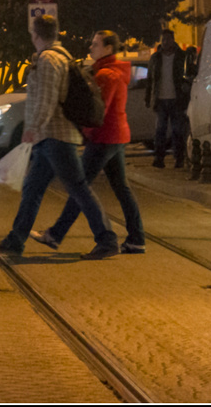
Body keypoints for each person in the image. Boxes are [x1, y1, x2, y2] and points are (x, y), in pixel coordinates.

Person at [0, 15, 117, 259]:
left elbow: (47, 99)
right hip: (49, 137)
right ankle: (16, 239)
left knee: (78, 188)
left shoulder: (49, 59)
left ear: (35, 35)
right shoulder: (58, 57)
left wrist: (32, 127)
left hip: (56, 135)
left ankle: (107, 239)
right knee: (32, 188)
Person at [45, 30, 146, 253]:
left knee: (80, 186)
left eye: (96, 44)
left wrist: (85, 133)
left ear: (108, 48)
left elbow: (98, 110)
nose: (91, 48)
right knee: (121, 188)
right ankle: (136, 238)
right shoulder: (112, 71)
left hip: (103, 137)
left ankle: (59, 234)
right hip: (116, 136)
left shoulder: (107, 75)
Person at [145, 29, 193, 169]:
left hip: (177, 99)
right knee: (160, 131)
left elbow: (189, 74)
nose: (165, 42)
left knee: (177, 131)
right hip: (160, 99)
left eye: (168, 39)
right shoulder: (155, 58)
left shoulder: (181, 56)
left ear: (173, 40)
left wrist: (186, 91)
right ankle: (159, 158)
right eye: (163, 40)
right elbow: (150, 79)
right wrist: (148, 97)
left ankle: (179, 158)